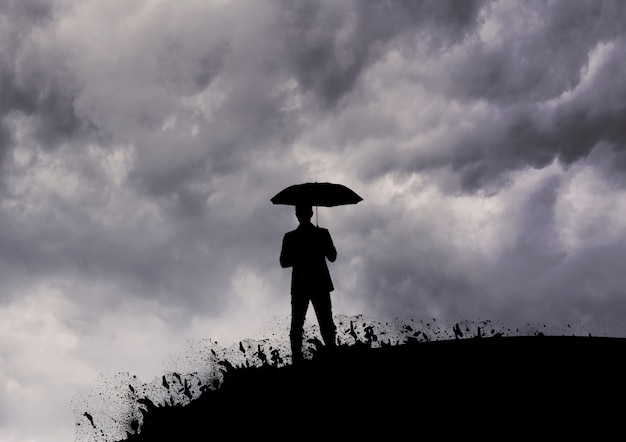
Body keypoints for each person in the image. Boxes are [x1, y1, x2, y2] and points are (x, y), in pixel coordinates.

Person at [280, 204, 337, 364]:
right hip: (319, 284)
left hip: (300, 285)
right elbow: (332, 256)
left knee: (298, 324)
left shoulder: (290, 237)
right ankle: (332, 352)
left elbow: (284, 262)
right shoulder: (322, 233)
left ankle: (297, 358)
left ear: (297, 215)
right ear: (312, 213)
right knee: (325, 321)